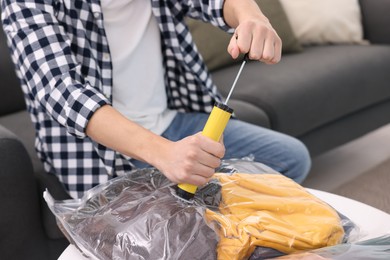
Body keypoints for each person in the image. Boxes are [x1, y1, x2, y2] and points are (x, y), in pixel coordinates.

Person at [1, 0, 311, 199]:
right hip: (99, 154)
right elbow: (61, 91)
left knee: (290, 159)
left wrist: (251, 16)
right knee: (177, 233)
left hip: (174, 121)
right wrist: (166, 155)